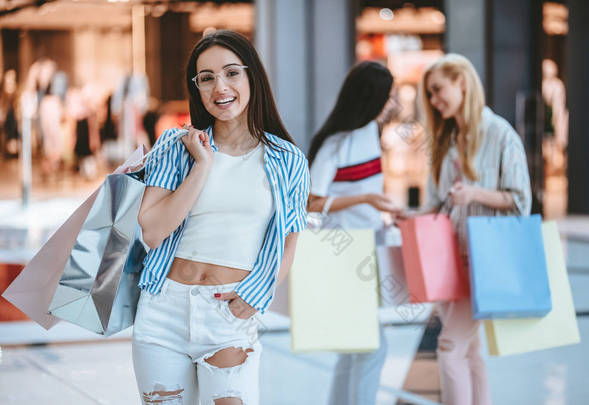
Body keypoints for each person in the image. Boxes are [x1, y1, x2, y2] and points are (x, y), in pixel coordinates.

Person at [134, 30, 310, 405]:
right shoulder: (176, 146)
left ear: (252, 77)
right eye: (207, 78)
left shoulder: (287, 159)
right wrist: (201, 167)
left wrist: (258, 294)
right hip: (164, 308)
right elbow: (151, 231)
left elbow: (289, 240)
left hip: (227, 313)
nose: (220, 87)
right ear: (196, 87)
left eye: (231, 73)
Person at [417, 53, 531, 405]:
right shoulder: (448, 139)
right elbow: (437, 202)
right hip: (450, 259)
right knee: (469, 350)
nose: (434, 102)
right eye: (431, 96)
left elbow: (520, 201)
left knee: (450, 347)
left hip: (484, 260)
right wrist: (412, 217)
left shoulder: (500, 135)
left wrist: (474, 194)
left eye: (438, 91)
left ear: (462, 83)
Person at [307, 61, 403, 405]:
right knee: (370, 348)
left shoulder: (368, 134)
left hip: (368, 247)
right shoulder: (339, 139)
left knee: (355, 349)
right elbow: (310, 201)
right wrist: (365, 198)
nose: (390, 104)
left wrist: (381, 210)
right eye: (387, 96)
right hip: (344, 253)